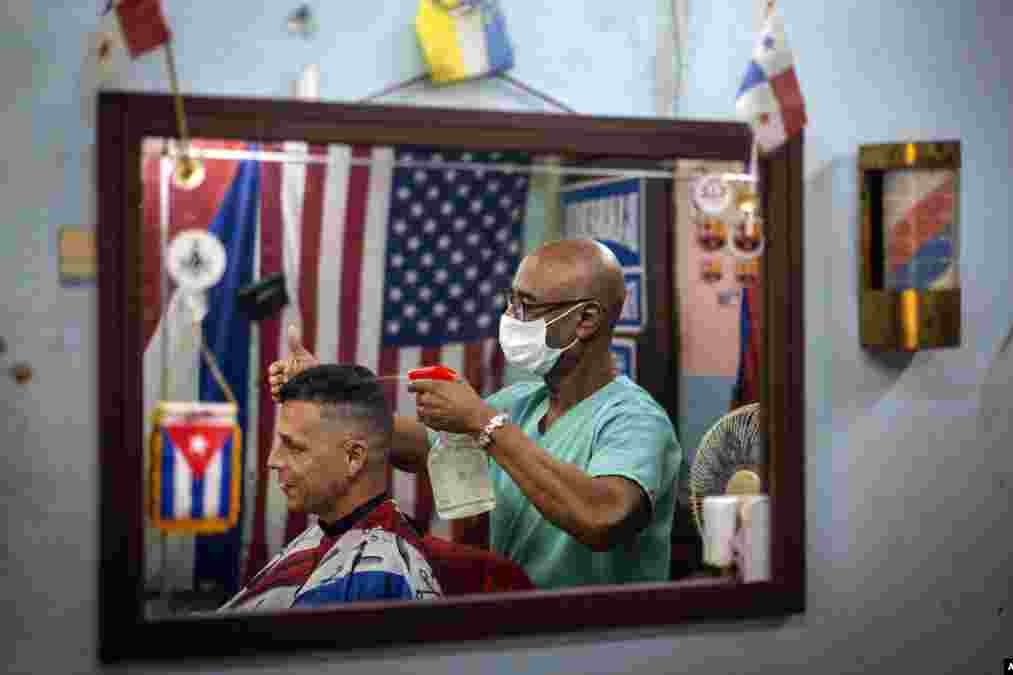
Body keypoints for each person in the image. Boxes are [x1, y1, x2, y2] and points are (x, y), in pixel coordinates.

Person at [269, 239, 681, 589]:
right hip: (524, 632)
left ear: (586, 319)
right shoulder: (522, 402)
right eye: (511, 301)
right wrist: (328, 393)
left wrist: (484, 423)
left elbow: (602, 516)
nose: (510, 318)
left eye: (528, 307)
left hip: (608, 643)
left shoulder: (635, 420)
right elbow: (417, 445)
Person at [220, 364, 442, 611]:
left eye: (294, 447)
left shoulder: (379, 577)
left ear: (353, 458)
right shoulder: (330, 537)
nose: (273, 460)